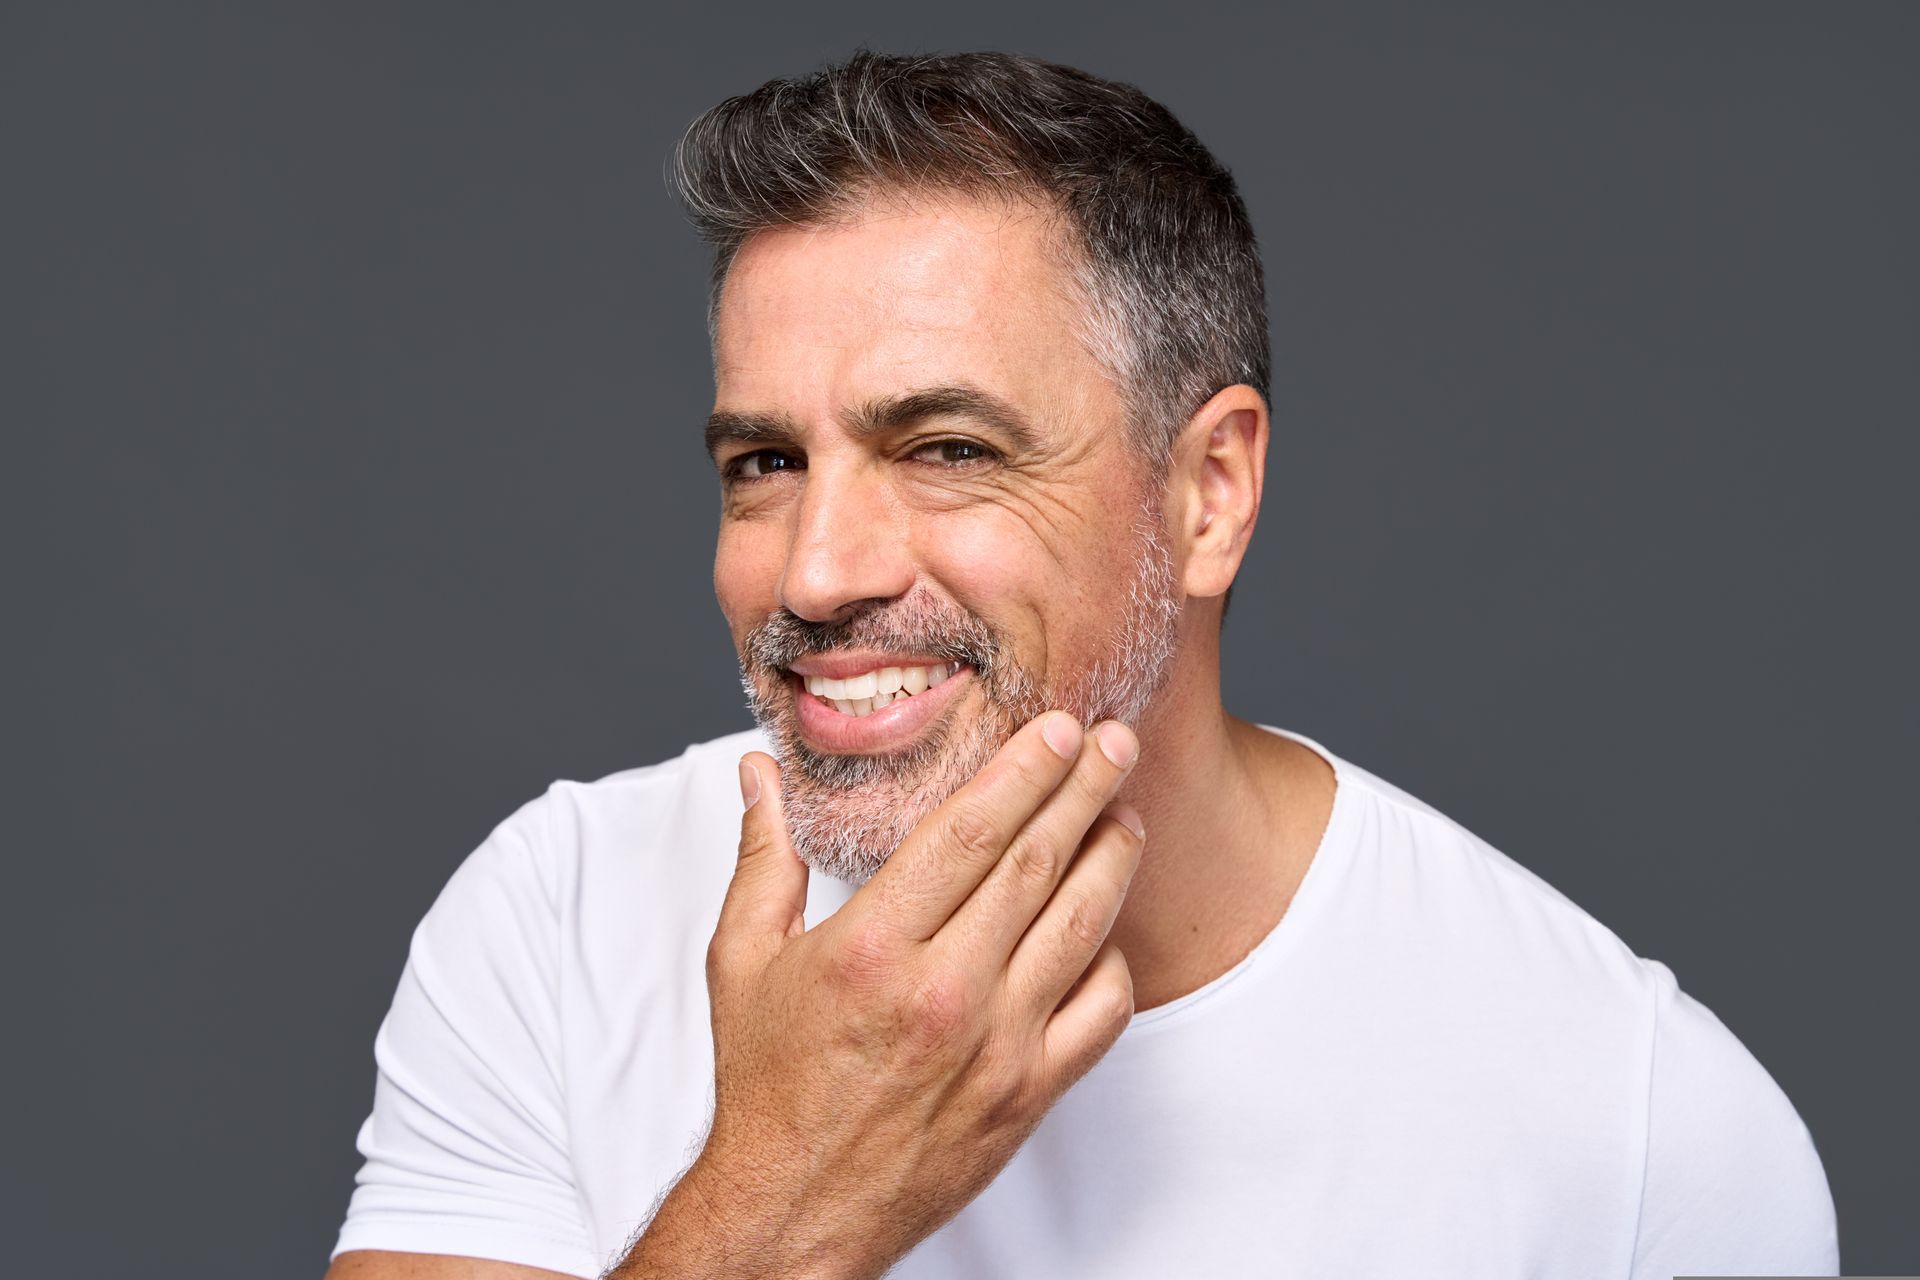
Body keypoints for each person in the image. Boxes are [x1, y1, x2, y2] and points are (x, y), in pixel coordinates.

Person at [325, 50, 1838, 1279]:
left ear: (1209, 495)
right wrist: (782, 1210)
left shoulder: (1642, 1128)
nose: (815, 570)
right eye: (766, 460)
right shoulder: (560, 917)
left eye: (951, 447)